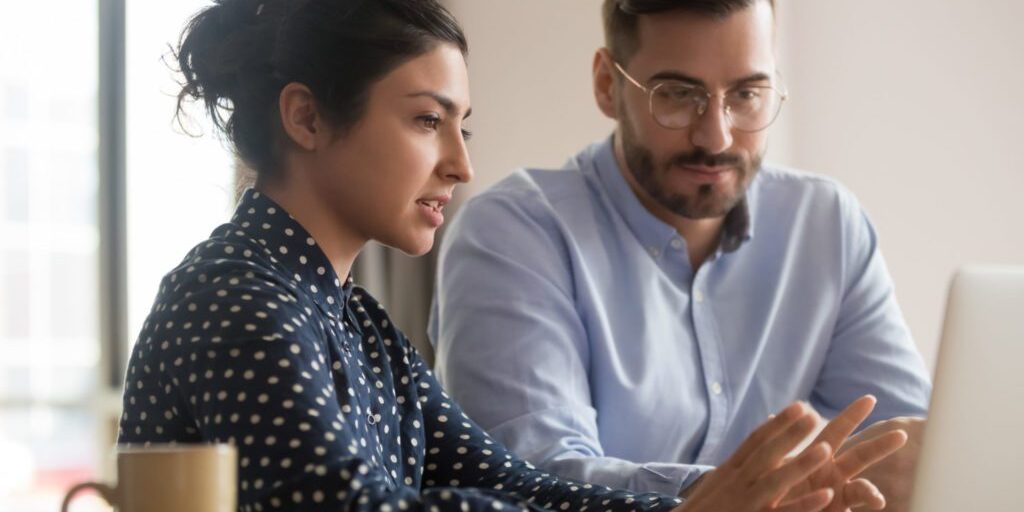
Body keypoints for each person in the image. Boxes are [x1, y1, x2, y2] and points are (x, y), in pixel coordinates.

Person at [117, 0, 906, 510]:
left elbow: (507, 481)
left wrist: (689, 507)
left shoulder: (353, 319)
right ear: (307, 118)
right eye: (428, 121)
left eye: (464, 127)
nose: (460, 164)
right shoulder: (237, 299)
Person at [429, 0, 931, 509]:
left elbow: (915, 451)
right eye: (677, 95)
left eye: (747, 94)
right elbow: (535, 480)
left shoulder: (825, 225)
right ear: (608, 84)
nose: (715, 135)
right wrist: (737, 495)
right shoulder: (511, 235)